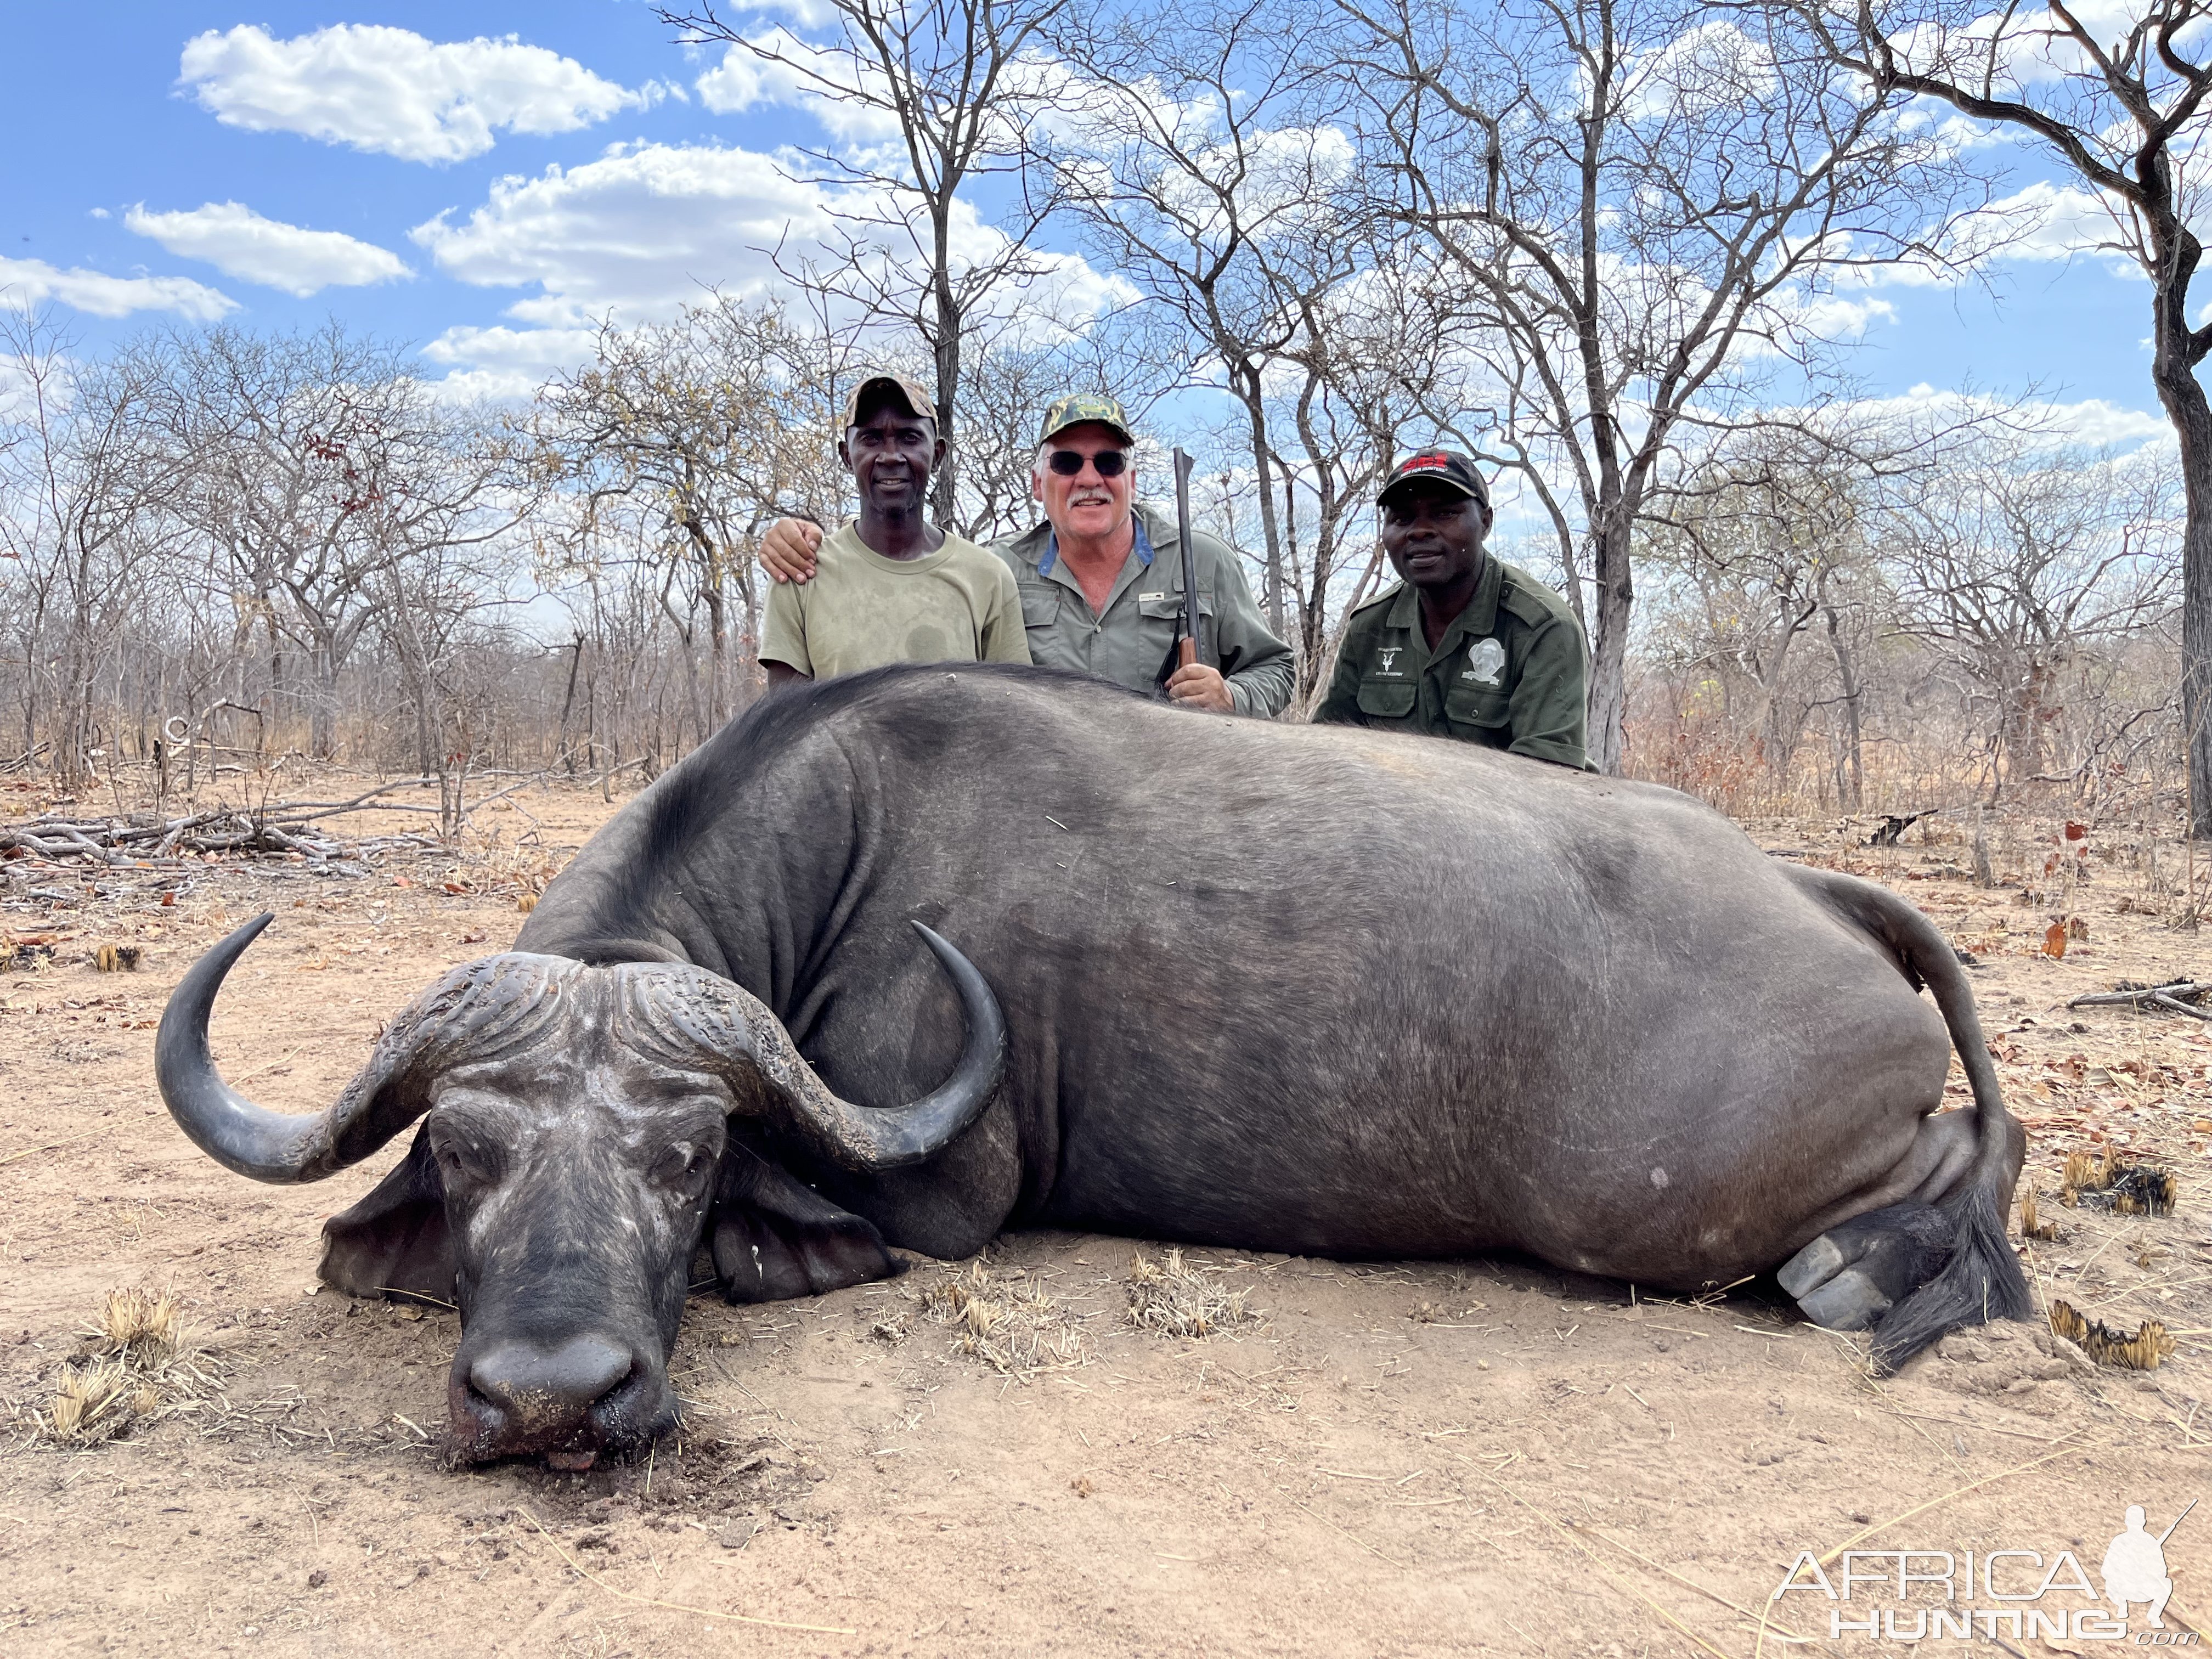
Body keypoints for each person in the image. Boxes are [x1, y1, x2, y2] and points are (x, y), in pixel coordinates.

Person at [757, 393, 1294, 716]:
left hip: (1177, 798)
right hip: (1050, 824)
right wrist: (799, 540)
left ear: (1132, 480)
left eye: (1108, 462)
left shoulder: (1206, 560)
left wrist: (1231, 698)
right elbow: (907, 561)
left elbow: (1276, 669)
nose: (1089, 479)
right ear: (1038, 482)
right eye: (1066, 463)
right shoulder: (995, 570)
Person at [1313, 450, 1591, 769]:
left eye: (1444, 514)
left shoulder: (1542, 628)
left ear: (1485, 522)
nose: (1419, 531)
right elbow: (1328, 754)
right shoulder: (1369, 626)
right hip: (1391, 812)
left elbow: (1548, 783)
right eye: (1402, 519)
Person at [759, 372, 1028, 686]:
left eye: (910, 438)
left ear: (937, 455)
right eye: (871, 439)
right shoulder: (801, 572)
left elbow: (1012, 713)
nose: (890, 456)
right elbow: (787, 727)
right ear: (847, 457)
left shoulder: (987, 576)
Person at [2102, 1505, 2174, 1628]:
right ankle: (2151, 1614)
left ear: (2126, 1522)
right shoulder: (2149, 1541)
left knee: (2166, 1583)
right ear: (2144, 1522)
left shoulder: (2120, 1540)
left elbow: (2105, 1570)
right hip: (2138, 1590)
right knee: (2167, 1584)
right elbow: (2162, 1571)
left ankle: (2125, 1607)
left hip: (2130, 1589)